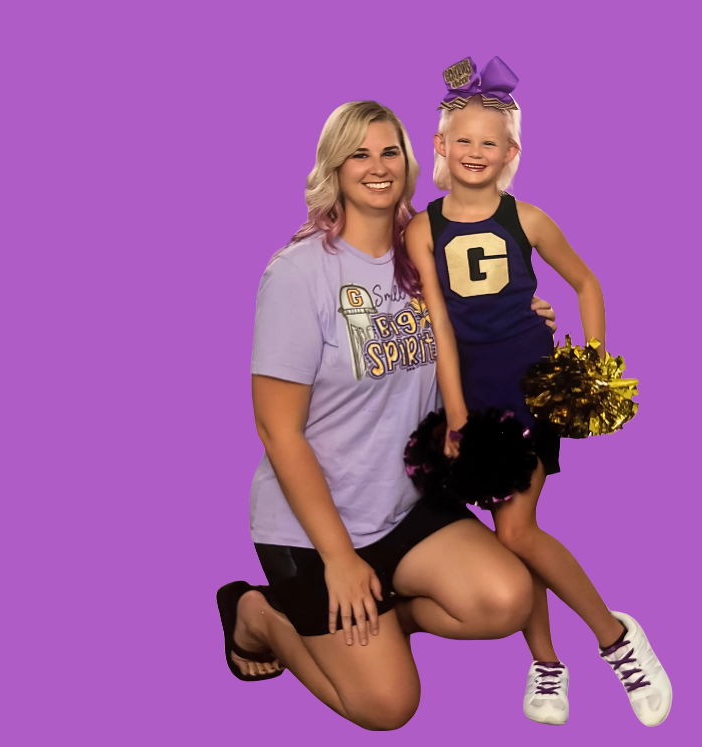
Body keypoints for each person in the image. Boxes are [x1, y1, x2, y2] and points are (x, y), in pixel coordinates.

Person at [216, 100, 559, 731]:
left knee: (506, 599)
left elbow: (477, 325)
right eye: (359, 153)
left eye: (390, 151)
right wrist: (341, 558)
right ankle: (259, 616)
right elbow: (276, 429)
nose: (377, 166)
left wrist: (524, 318)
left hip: (405, 509)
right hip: (315, 529)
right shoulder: (299, 274)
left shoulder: (425, 255)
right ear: (335, 167)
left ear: (410, 161)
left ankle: (373, 628)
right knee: (387, 707)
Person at [405, 56, 673, 727]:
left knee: (517, 530)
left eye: (489, 142)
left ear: (511, 153)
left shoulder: (527, 219)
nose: (475, 152)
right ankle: (548, 664)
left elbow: (586, 282)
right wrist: (456, 410)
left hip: (528, 393)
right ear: (440, 145)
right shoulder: (422, 228)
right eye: (463, 140)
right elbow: (438, 322)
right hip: (465, 398)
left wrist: (590, 365)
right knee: (507, 537)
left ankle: (616, 639)